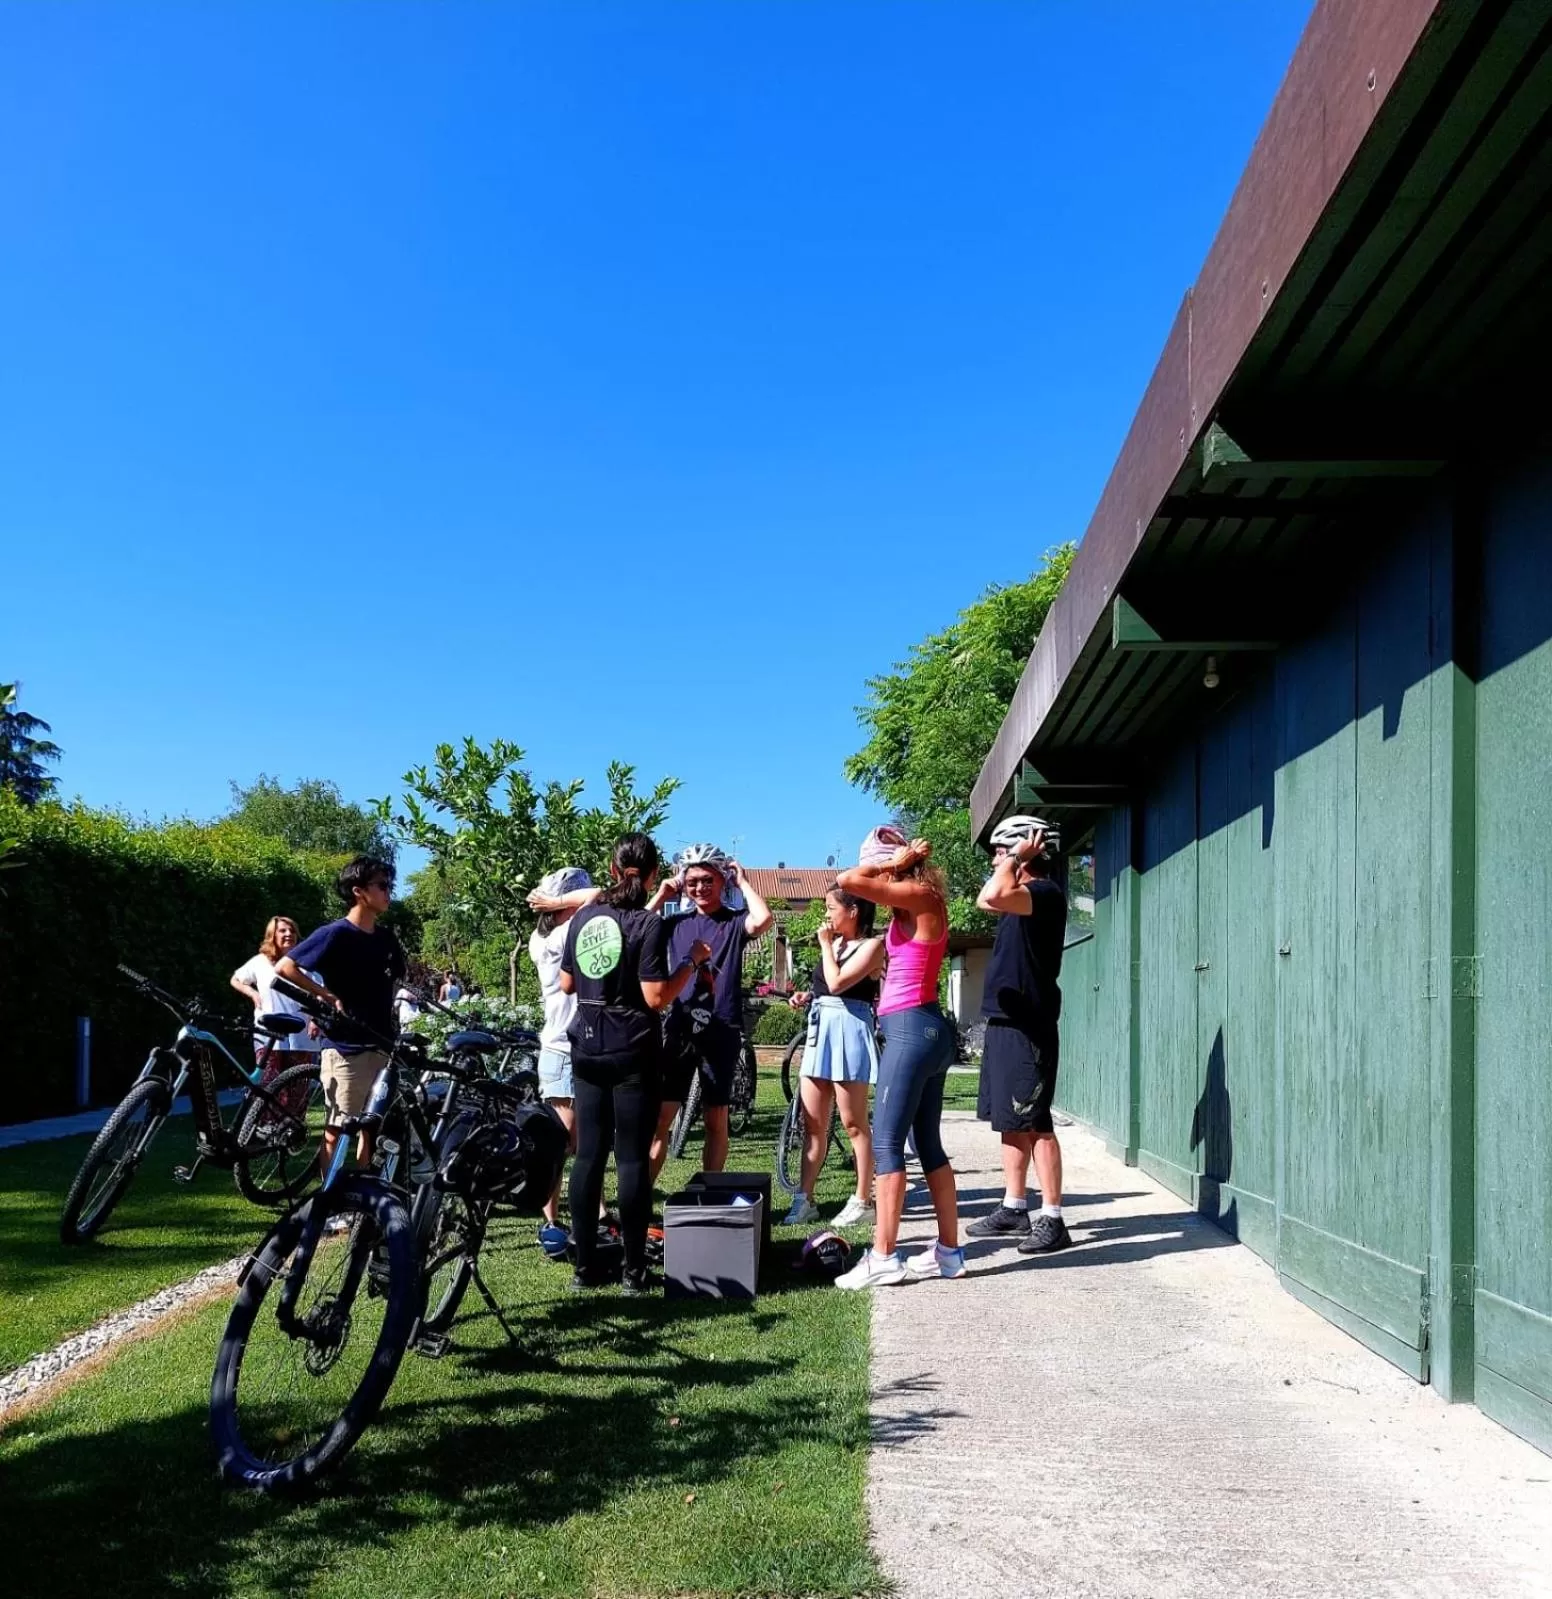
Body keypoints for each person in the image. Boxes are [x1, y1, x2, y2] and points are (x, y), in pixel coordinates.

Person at [558, 832, 710, 1292]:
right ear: (649, 875)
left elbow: (566, 984)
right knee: (630, 1162)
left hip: (586, 1048)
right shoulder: (648, 925)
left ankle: (585, 1269)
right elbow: (656, 997)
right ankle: (633, 1272)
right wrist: (692, 961)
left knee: (587, 1158)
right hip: (632, 1052)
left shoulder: (586, 917)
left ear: (611, 869)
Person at [833, 827, 960, 1288]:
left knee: (886, 1144)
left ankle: (884, 1256)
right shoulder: (919, 898)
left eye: (879, 863)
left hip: (909, 1031)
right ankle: (948, 1252)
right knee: (928, 1145)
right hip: (927, 1028)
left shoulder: (914, 892)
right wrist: (896, 863)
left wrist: (891, 863)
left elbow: (849, 880)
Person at [969, 815, 1072, 1253]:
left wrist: (1015, 856)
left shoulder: (1044, 894)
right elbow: (983, 900)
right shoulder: (1017, 895)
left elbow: (994, 891)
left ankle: (1053, 1218)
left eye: (1000, 849)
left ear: (1023, 850)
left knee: (1036, 1123)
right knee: (1010, 1123)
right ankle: (1014, 1208)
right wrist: (1011, 861)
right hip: (1005, 1023)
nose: (995, 858)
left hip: (1031, 1026)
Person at [647, 844, 774, 1179]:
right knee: (662, 1117)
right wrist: (662, 894)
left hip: (721, 1031)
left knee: (715, 1118)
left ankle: (710, 1191)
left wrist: (743, 882)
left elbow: (763, 920)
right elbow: (635, 931)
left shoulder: (733, 923)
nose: (700, 888)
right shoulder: (675, 923)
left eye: (708, 880)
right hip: (680, 1029)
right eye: (692, 882)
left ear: (722, 881)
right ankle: (640, 1199)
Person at [277, 856, 407, 1167]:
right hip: (345, 1046)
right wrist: (324, 994)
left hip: (382, 1043)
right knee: (338, 1127)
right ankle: (329, 1200)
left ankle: (364, 1197)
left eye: (390, 885)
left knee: (371, 1127)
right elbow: (285, 967)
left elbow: (398, 977)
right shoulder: (335, 933)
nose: (388, 892)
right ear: (359, 891)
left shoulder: (386, 938)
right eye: (382, 885)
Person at [782, 883, 884, 1228]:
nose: (826, 915)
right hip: (820, 1029)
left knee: (854, 1122)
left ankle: (862, 1199)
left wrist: (825, 946)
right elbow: (826, 985)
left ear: (853, 911)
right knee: (812, 1122)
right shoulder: (835, 944)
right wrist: (806, 996)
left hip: (850, 1031)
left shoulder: (872, 946)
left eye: (830, 908)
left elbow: (839, 983)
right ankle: (804, 1197)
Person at [525, 865, 603, 1251]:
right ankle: (551, 1223)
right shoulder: (555, 937)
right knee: (562, 1143)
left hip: (583, 1049)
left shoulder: (565, 933)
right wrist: (560, 902)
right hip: (561, 1051)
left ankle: (598, 1214)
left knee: (589, 1140)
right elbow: (600, 895)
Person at [230, 915, 322, 1075]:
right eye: (282, 930)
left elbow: (320, 993)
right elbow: (236, 979)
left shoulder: (306, 963)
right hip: (268, 1036)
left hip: (301, 1038)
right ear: (272, 935)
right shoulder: (260, 962)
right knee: (267, 1087)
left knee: (297, 1090)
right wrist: (252, 993)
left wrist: (315, 1019)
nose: (289, 934)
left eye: (292, 930)